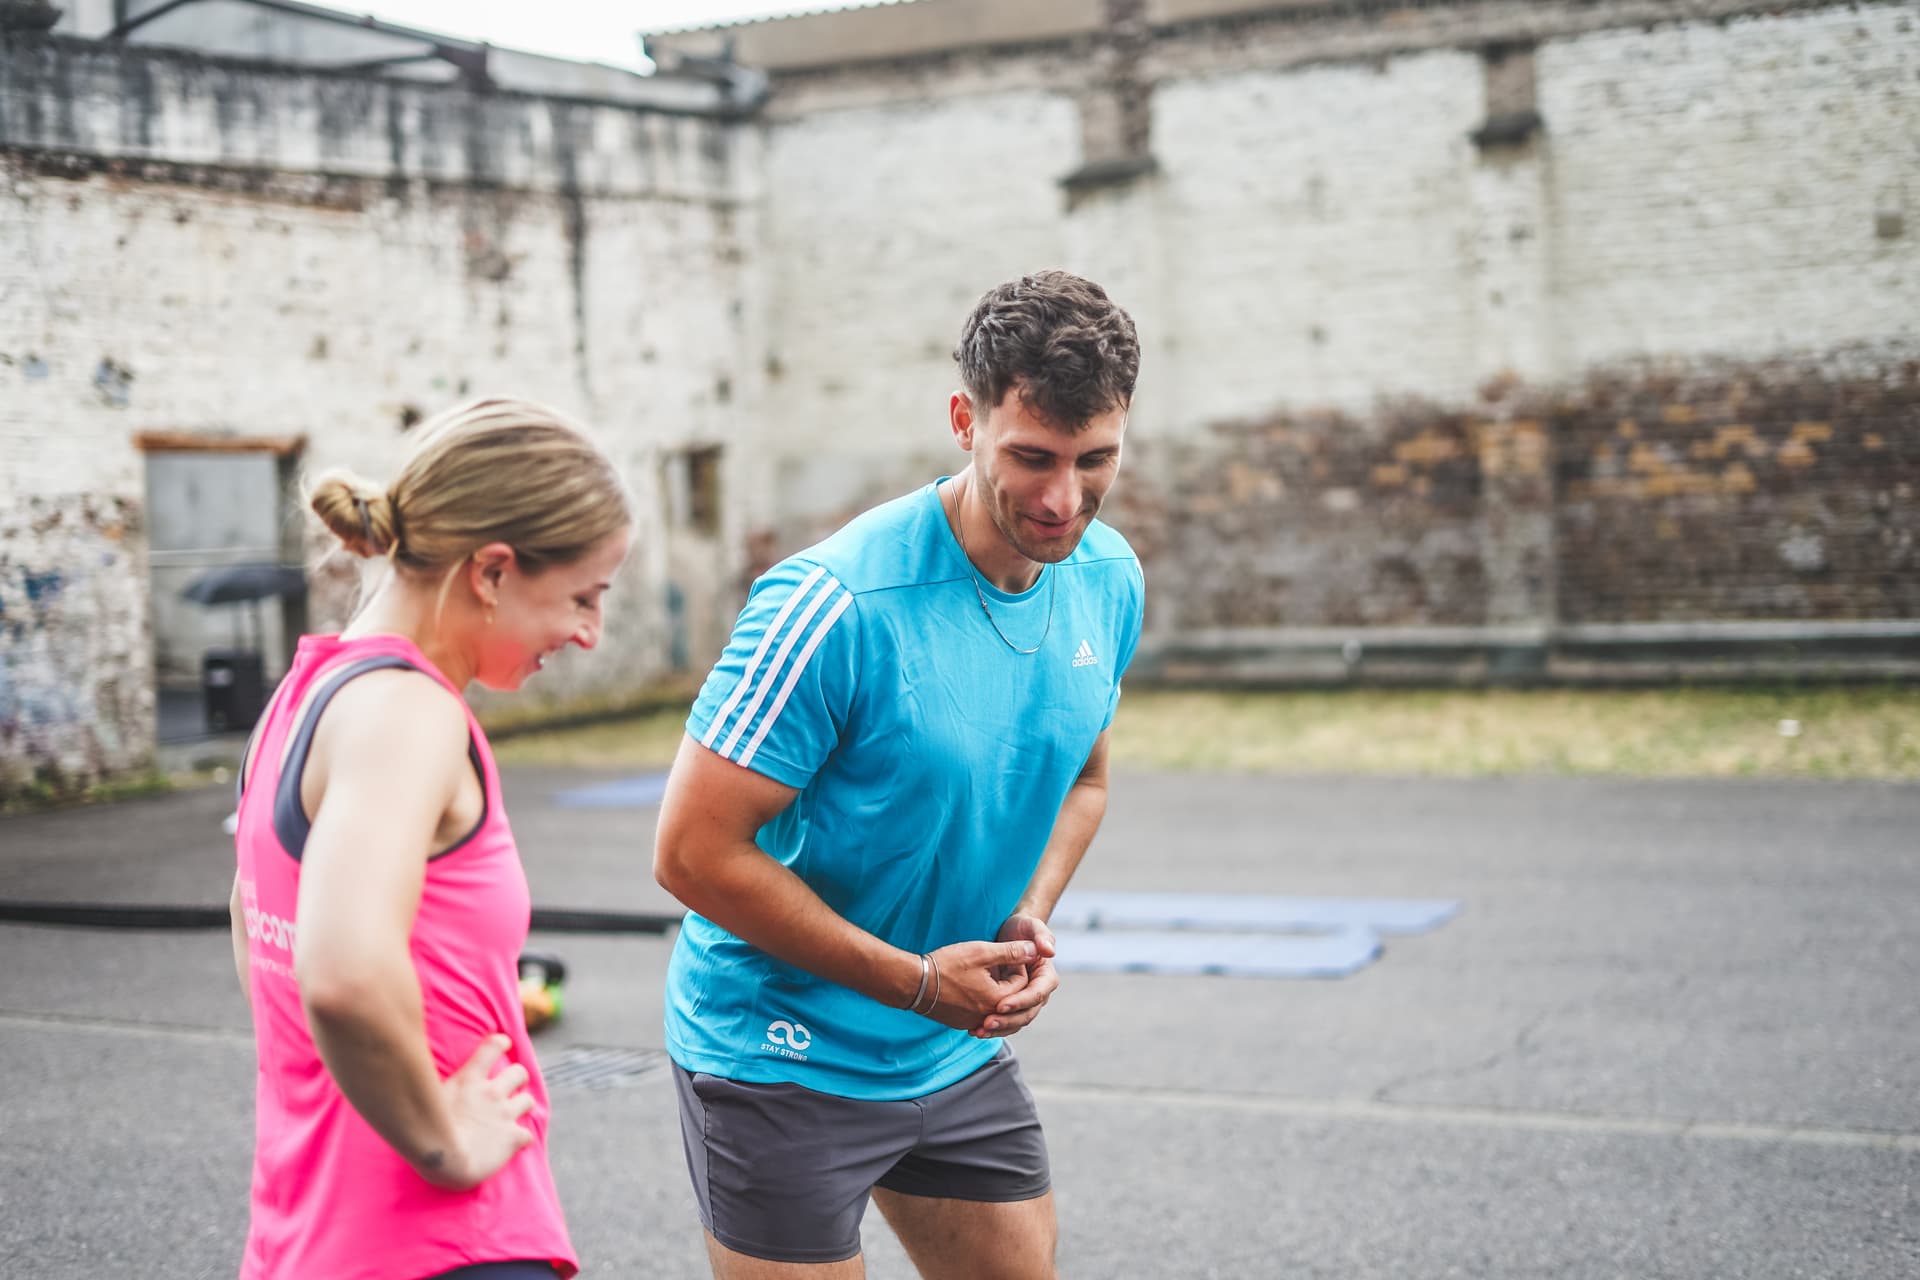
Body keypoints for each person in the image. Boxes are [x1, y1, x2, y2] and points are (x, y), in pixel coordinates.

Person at [654, 270, 1145, 1278]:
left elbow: (1085, 776)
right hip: (780, 1051)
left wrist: (1027, 910)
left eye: (1096, 460)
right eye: (1032, 457)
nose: (1063, 500)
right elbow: (693, 853)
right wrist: (919, 981)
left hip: (947, 1043)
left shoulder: (1108, 578)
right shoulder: (835, 602)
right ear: (965, 419)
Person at [227, 398, 633, 1280]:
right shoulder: (408, 712)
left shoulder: (306, 697)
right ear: (492, 571)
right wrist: (441, 1144)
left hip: (312, 1230)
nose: (588, 634)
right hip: (437, 1241)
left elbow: (256, 931)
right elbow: (340, 976)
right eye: (581, 597)